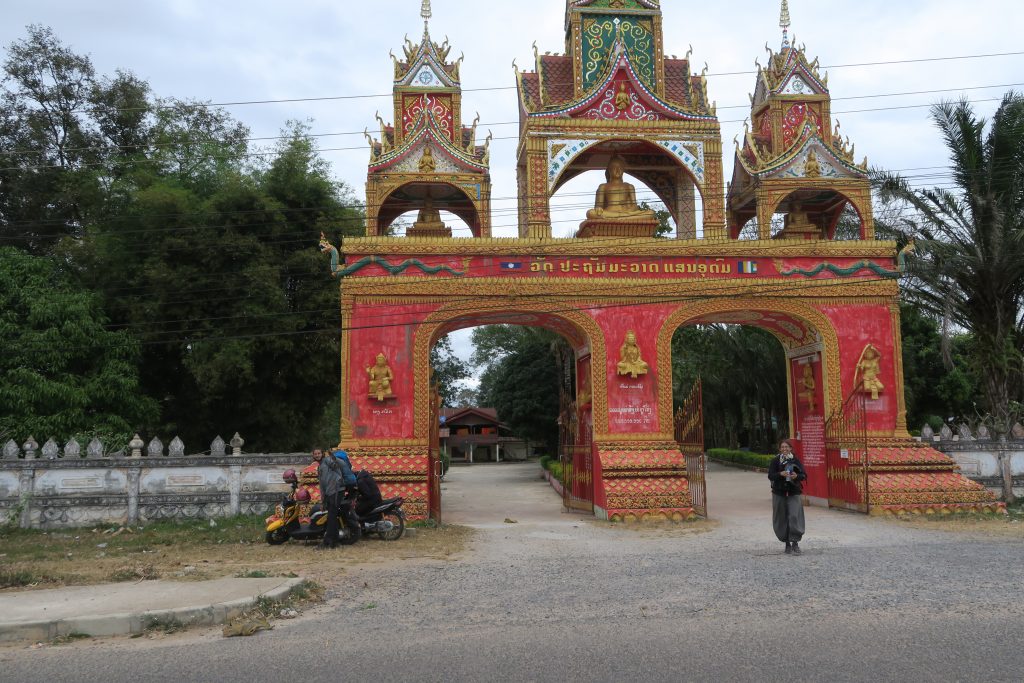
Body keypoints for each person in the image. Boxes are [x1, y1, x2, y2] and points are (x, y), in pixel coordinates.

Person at [768, 438, 807, 555]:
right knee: (781, 517)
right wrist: (780, 474)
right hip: (779, 493)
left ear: (790, 448)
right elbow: (770, 475)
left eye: (787, 447)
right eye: (782, 447)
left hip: (793, 492)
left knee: (794, 516)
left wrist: (796, 476)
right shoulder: (775, 461)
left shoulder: (795, 460)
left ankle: (795, 543)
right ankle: (787, 544)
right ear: (780, 449)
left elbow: (804, 475)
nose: (784, 449)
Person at [312, 447, 345, 549]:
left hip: (337, 490)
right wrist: (323, 501)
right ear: (313, 456)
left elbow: (340, 464)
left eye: (319, 453)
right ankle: (334, 542)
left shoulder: (327, 460)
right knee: (331, 516)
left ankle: (328, 542)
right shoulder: (320, 467)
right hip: (329, 493)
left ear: (322, 454)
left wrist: (333, 457)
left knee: (331, 516)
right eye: (315, 454)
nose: (317, 455)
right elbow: (322, 486)